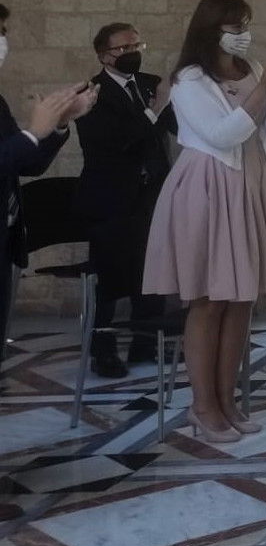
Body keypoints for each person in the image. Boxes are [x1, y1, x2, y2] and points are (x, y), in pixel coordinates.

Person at [143, 0, 266, 443]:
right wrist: (264, 89)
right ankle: (202, 405)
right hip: (209, 187)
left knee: (242, 300)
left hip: (251, 182)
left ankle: (227, 398)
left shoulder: (252, 69)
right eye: (234, 27)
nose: (243, 35)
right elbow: (220, 135)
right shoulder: (189, 79)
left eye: (246, 25)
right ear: (211, 29)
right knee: (210, 300)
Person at [74, 21, 179, 379]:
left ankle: (146, 341)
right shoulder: (91, 94)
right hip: (110, 199)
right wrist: (155, 108)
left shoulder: (150, 84)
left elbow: (177, 127)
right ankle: (102, 351)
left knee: (152, 272)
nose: (132, 53)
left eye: (137, 45)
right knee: (109, 278)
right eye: (123, 49)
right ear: (103, 55)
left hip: (153, 194)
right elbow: (119, 141)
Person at [0, 2, 96, 366]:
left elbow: (28, 163)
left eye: (4, 33)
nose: (3, 41)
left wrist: (57, 125)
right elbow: (18, 147)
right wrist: (31, 132)